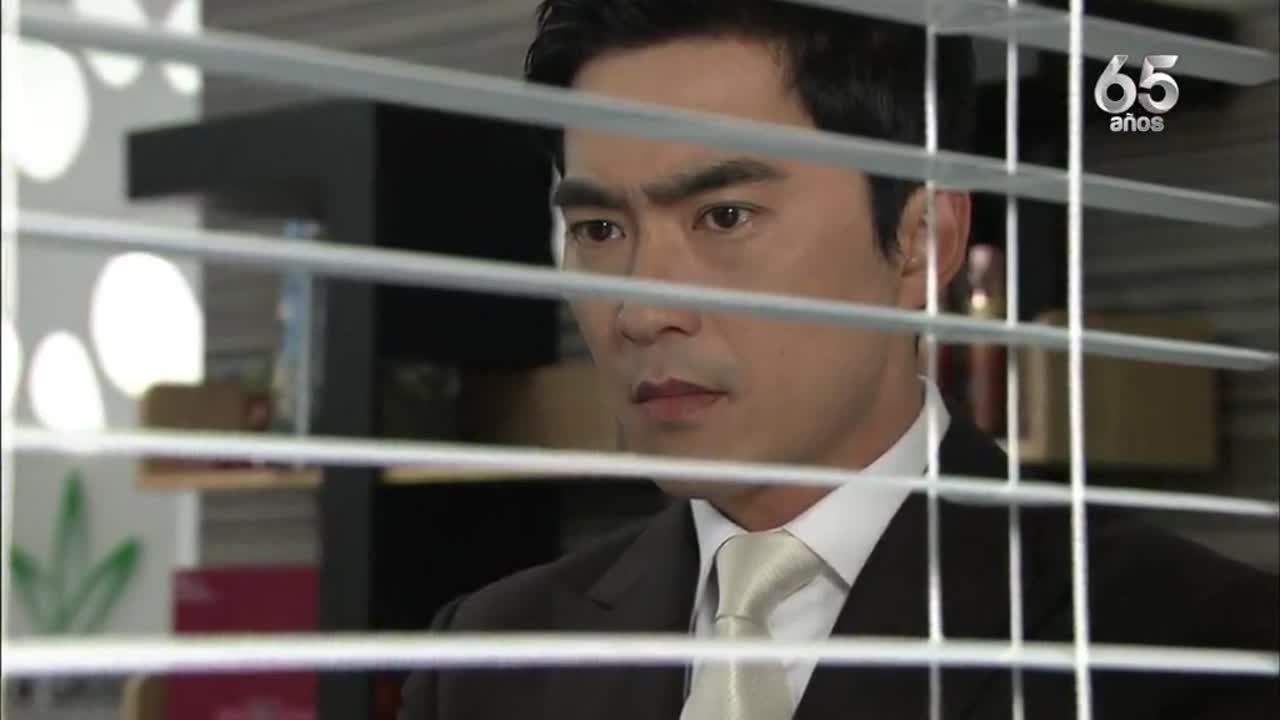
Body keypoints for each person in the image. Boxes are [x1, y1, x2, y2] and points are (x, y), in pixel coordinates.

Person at [400, 2, 1279, 718]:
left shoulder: (1191, 650)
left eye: (726, 217)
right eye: (599, 230)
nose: (641, 311)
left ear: (920, 242)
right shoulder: (488, 663)